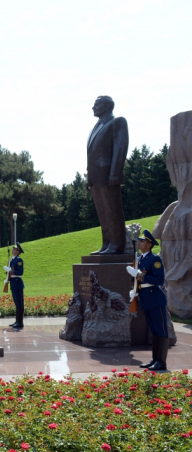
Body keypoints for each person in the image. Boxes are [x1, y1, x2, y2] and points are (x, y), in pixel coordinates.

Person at [86, 95, 129, 255]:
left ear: (106, 106)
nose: (93, 108)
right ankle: (106, 244)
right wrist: (89, 177)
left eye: (96, 104)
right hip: (96, 177)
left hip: (109, 176)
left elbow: (120, 148)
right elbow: (92, 155)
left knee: (113, 211)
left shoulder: (117, 122)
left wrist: (115, 173)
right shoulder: (96, 126)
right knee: (102, 213)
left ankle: (116, 245)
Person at [127, 229, 169, 371]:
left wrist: (139, 275)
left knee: (161, 330)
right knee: (154, 331)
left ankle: (161, 361)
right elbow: (137, 280)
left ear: (149, 244)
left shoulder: (155, 259)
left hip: (156, 299)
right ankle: (155, 359)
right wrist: (135, 290)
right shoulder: (140, 259)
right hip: (145, 298)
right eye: (139, 240)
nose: (139, 242)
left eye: (142, 240)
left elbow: (159, 279)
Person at [3, 243, 25, 328]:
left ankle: (20, 322)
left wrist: (11, 271)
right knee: (16, 303)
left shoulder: (19, 260)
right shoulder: (12, 260)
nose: (13, 250)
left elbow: (20, 272)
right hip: (12, 281)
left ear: (18, 251)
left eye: (14, 249)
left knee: (20, 303)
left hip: (17, 282)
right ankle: (17, 321)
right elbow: (10, 271)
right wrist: (7, 276)